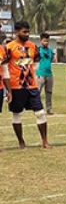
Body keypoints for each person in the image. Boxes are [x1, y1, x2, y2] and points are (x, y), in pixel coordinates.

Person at [1, 21, 51, 149]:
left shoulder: (32, 46)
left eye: (28, 31)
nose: (27, 34)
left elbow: (36, 60)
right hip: (16, 86)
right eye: (25, 32)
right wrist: (8, 89)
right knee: (17, 114)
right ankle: (21, 141)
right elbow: (5, 66)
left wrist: (33, 73)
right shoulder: (9, 47)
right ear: (17, 32)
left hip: (32, 86)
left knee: (40, 112)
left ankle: (45, 141)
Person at [37, 32, 55, 115]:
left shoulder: (50, 51)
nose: (46, 43)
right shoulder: (38, 50)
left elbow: (51, 60)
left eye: (47, 41)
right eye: (44, 41)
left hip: (49, 74)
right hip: (40, 73)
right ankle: (37, 108)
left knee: (49, 92)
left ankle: (49, 109)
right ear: (41, 41)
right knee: (38, 92)